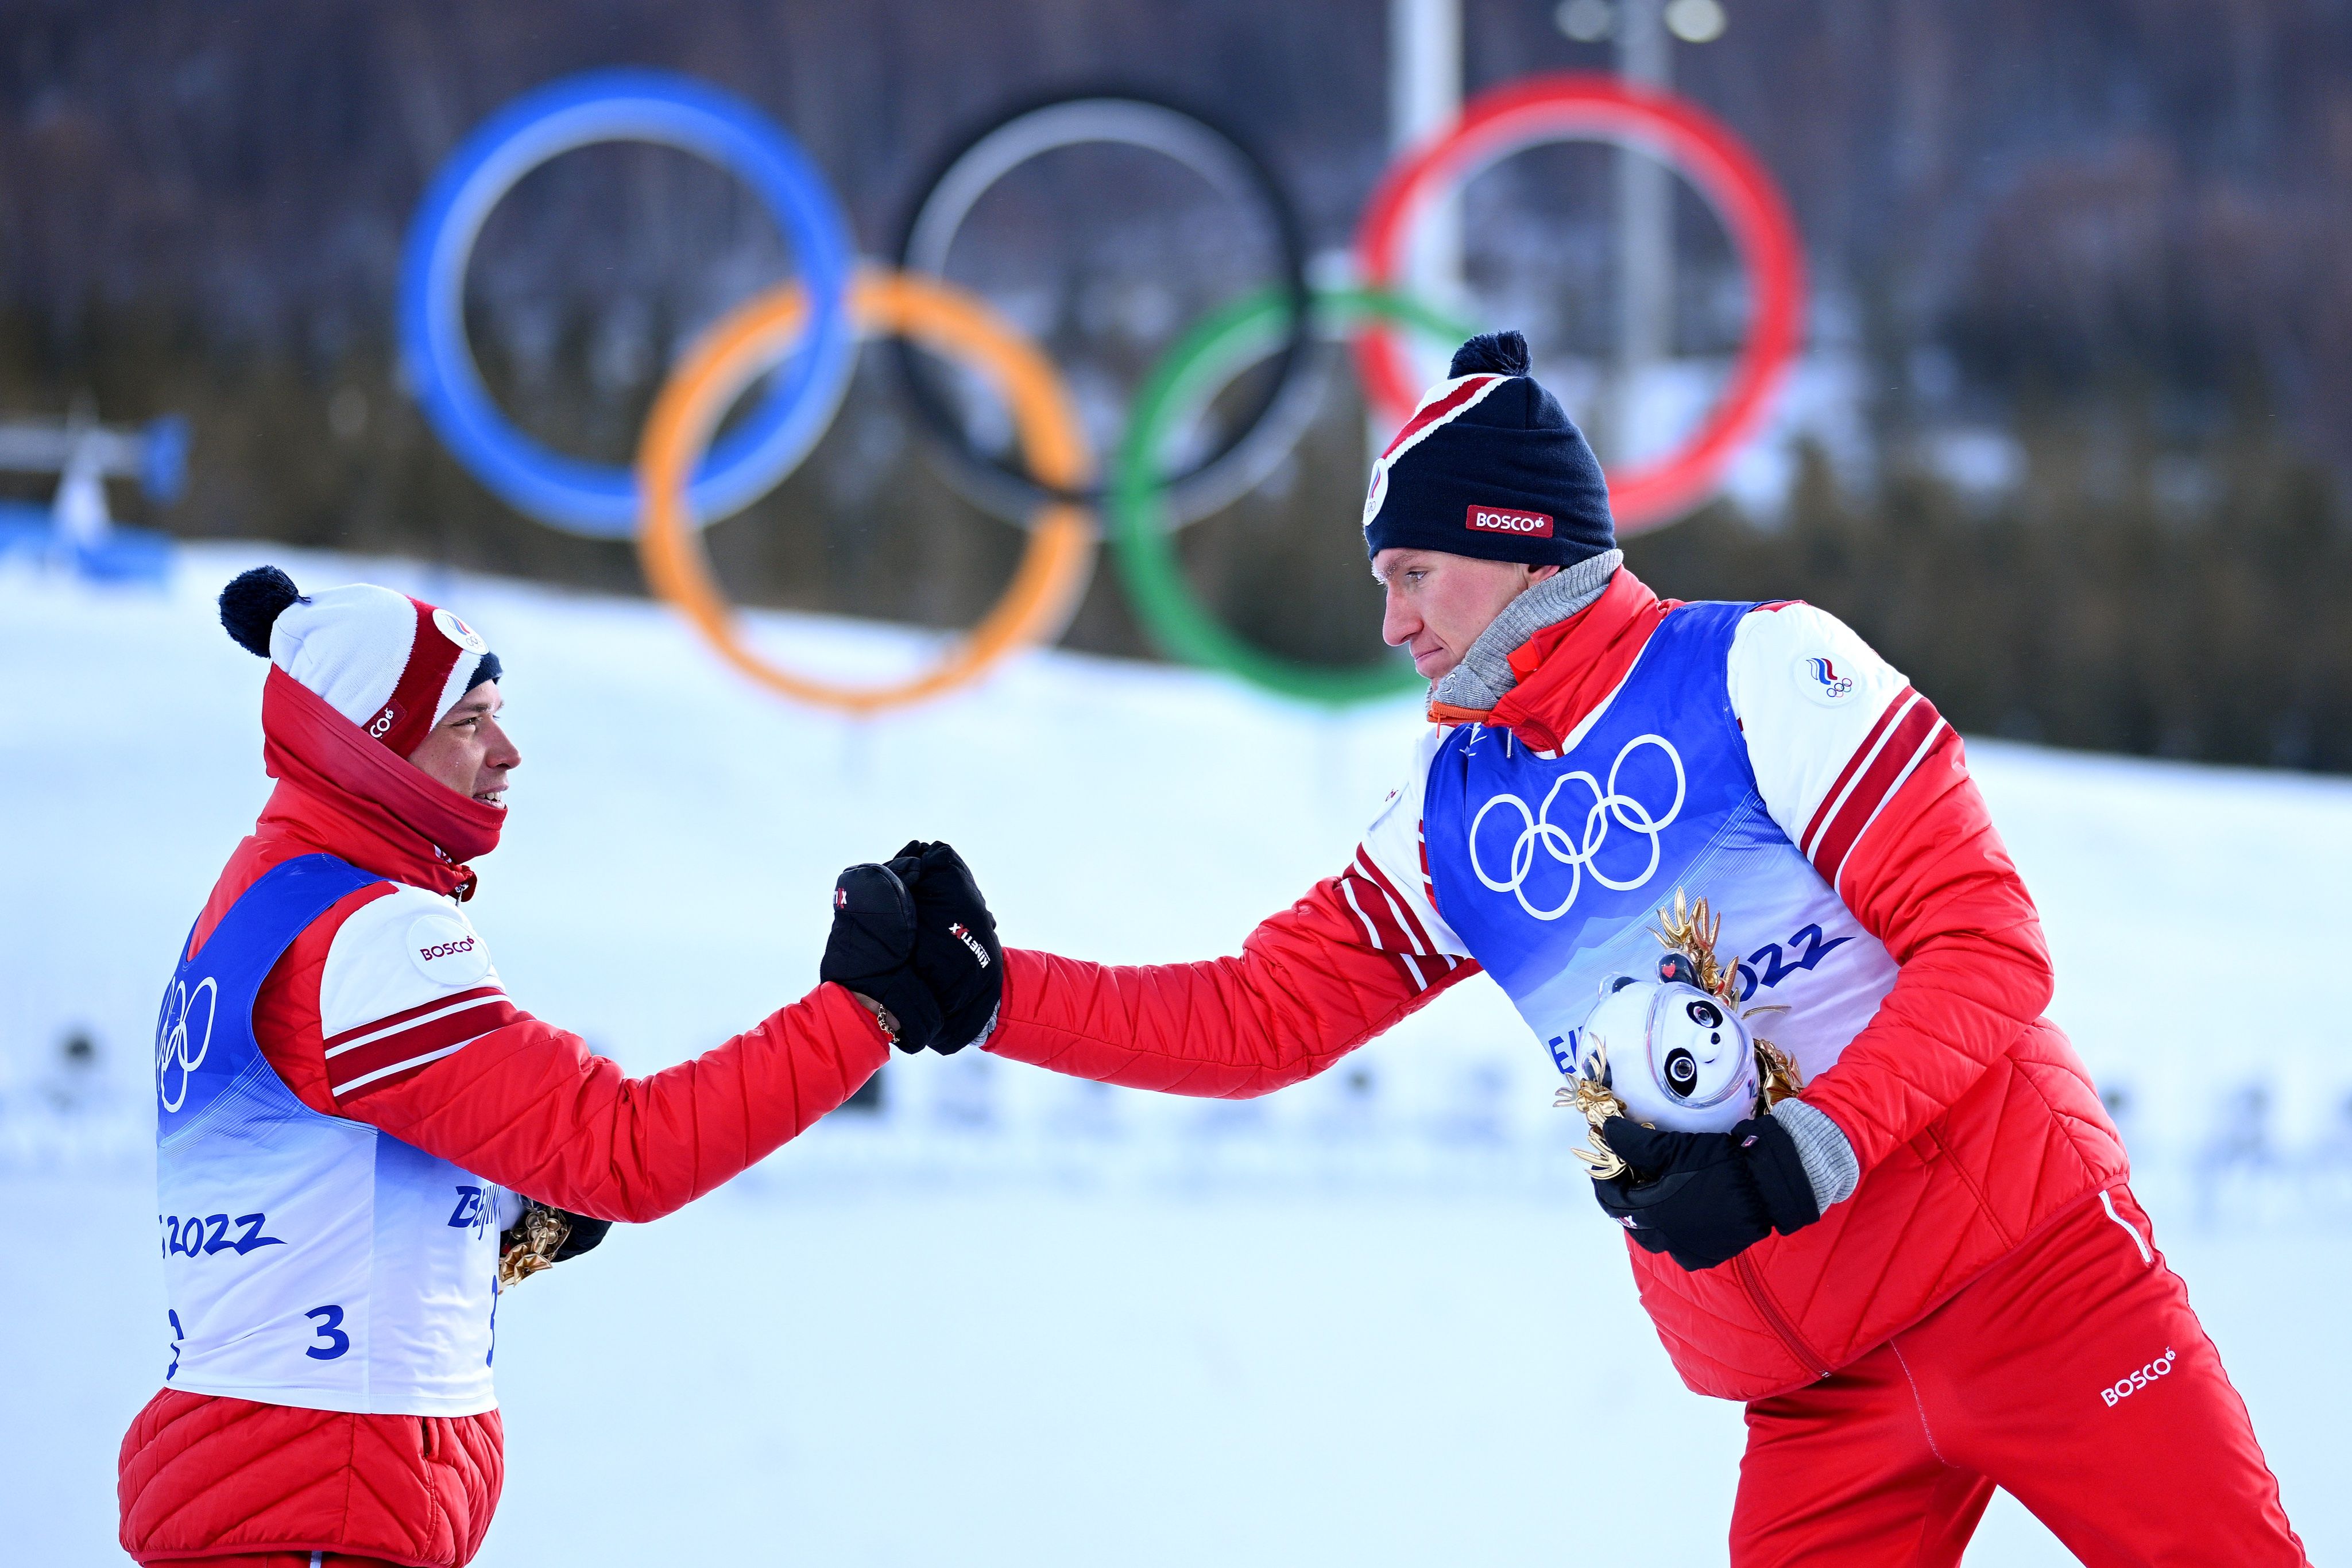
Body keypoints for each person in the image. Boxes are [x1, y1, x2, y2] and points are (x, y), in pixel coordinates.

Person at [950, 333, 2308, 1565]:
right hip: (1813, 1396)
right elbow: (1257, 1021)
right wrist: (984, 992)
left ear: (1520, 544)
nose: (1392, 621)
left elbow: (1987, 948)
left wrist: (1801, 1150)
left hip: (2038, 1293)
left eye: (1413, 572)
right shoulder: (1447, 815)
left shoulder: (1760, 671)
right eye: (1383, 581)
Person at [122, 566, 998, 1568]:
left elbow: (312, 1205)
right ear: (370, 745)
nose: (508, 751)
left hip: (288, 1481)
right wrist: (867, 1008)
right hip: (321, 1492)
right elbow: (625, 1152)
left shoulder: (263, 902)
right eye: (467, 723)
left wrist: (515, 1215)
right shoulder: (368, 933)